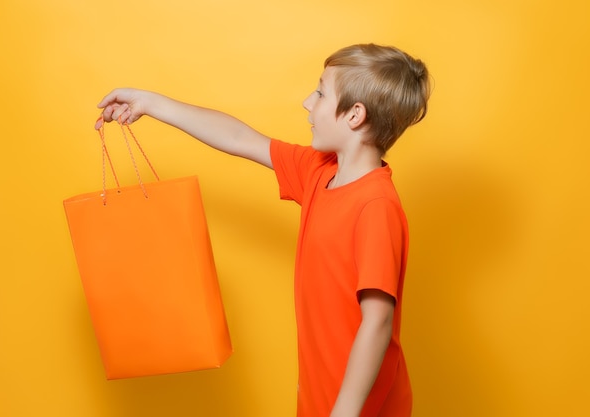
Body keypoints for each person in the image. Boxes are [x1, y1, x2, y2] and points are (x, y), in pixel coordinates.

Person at [96, 43, 431, 417]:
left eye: (320, 92)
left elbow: (378, 320)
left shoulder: (376, 206)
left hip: (358, 408)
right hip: (321, 397)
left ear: (355, 115)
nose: (308, 102)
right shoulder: (320, 172)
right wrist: (150, 103)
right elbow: (242, 139)